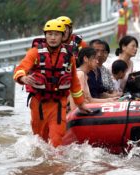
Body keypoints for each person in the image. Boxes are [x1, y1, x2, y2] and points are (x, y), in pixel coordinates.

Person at [13, 19, 91, 147]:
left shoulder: (68, 56)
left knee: (56, 139)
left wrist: (81, 104)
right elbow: (20, 68)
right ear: (45, 35)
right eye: (49, 34)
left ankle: (57, 165)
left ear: (62, 36)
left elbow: (74, 83)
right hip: (39, 103)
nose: (52, 38)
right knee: (40, 141)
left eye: (56, 34)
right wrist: (23, 78)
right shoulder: (35, 52)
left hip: (59, 103)